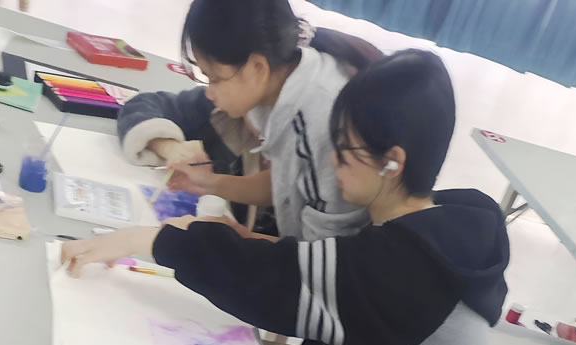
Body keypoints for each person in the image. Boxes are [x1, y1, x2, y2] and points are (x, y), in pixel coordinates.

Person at [64, 51, 510, 345]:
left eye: (346, 148)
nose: (332, 160)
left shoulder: (400, 268)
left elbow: (270, 281)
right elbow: (316, 266)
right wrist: (237, 234)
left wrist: (149, 239)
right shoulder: (439, 227)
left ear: (392, 162)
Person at [117, 0, 379, 240]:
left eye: (215, 79)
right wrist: (206, 182)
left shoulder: (318, 125)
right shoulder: (283, 80)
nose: (209, 92)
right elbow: (285, 183)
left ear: (257, 68)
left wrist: (237, 239)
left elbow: (322, 257)